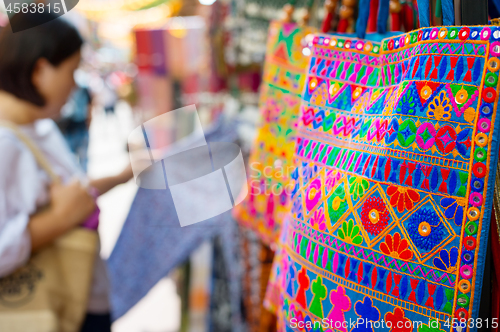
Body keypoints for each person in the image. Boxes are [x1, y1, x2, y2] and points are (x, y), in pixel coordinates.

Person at [0, 13, 133, 332]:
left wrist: (124, 174)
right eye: (71, 71)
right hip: (47, 309)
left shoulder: (38, 126)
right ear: (40, 70)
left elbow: (71, 190)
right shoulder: (6, 142)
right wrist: (60, 219)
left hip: (76, 299)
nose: (74, 85)